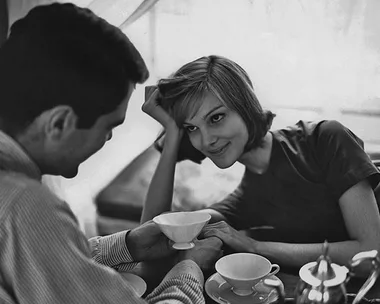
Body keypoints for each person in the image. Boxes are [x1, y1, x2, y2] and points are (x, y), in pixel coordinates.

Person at [0, 4, 223, 304]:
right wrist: (190, 267)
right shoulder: (27, 208)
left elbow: (56, 261)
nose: (107, 140)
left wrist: (127, 244)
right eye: (109, 128)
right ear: (59, 123)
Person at [141, 55, 380, 273]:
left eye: (216, 117)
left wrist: (255, 246)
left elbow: (372, 252)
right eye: (191, 128)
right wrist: (173, 132)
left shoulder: (325, 138)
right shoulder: (244, 200)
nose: (206, 140)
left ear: (244, 106)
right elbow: (152, 236)